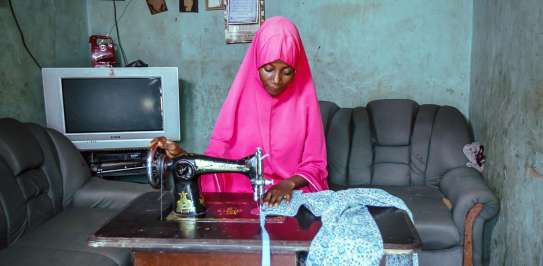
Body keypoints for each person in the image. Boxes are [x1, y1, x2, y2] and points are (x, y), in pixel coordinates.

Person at [151, 16, 328, 207]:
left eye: (287, 72)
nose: (277, 80)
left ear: (297, 70)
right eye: (268, 69)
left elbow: (315, 165)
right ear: (256, 64)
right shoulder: (238, 104)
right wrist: (181, 156)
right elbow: (217, 161)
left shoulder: (305, 106)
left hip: (290, 194)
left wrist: (287, 183)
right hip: (242, 194)